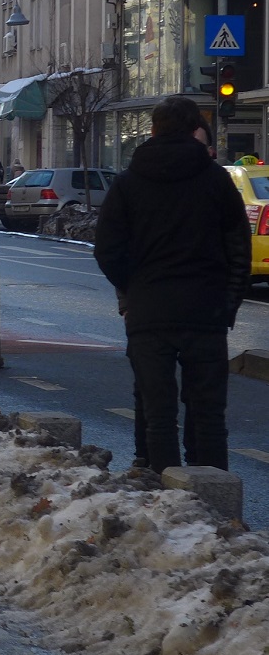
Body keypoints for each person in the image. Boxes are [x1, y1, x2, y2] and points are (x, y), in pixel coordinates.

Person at [95, 96, 250, 474]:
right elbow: (238, 249)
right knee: (208, 415)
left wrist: (135, 287)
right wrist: (227, 304)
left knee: (157, 414)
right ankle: (212, 503)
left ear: (153, 129)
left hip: (149, 311)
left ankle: (164, 495)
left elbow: (107, 249)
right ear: (194, 127)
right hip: (206, 311)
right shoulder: (217, 180)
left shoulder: (128, 183)